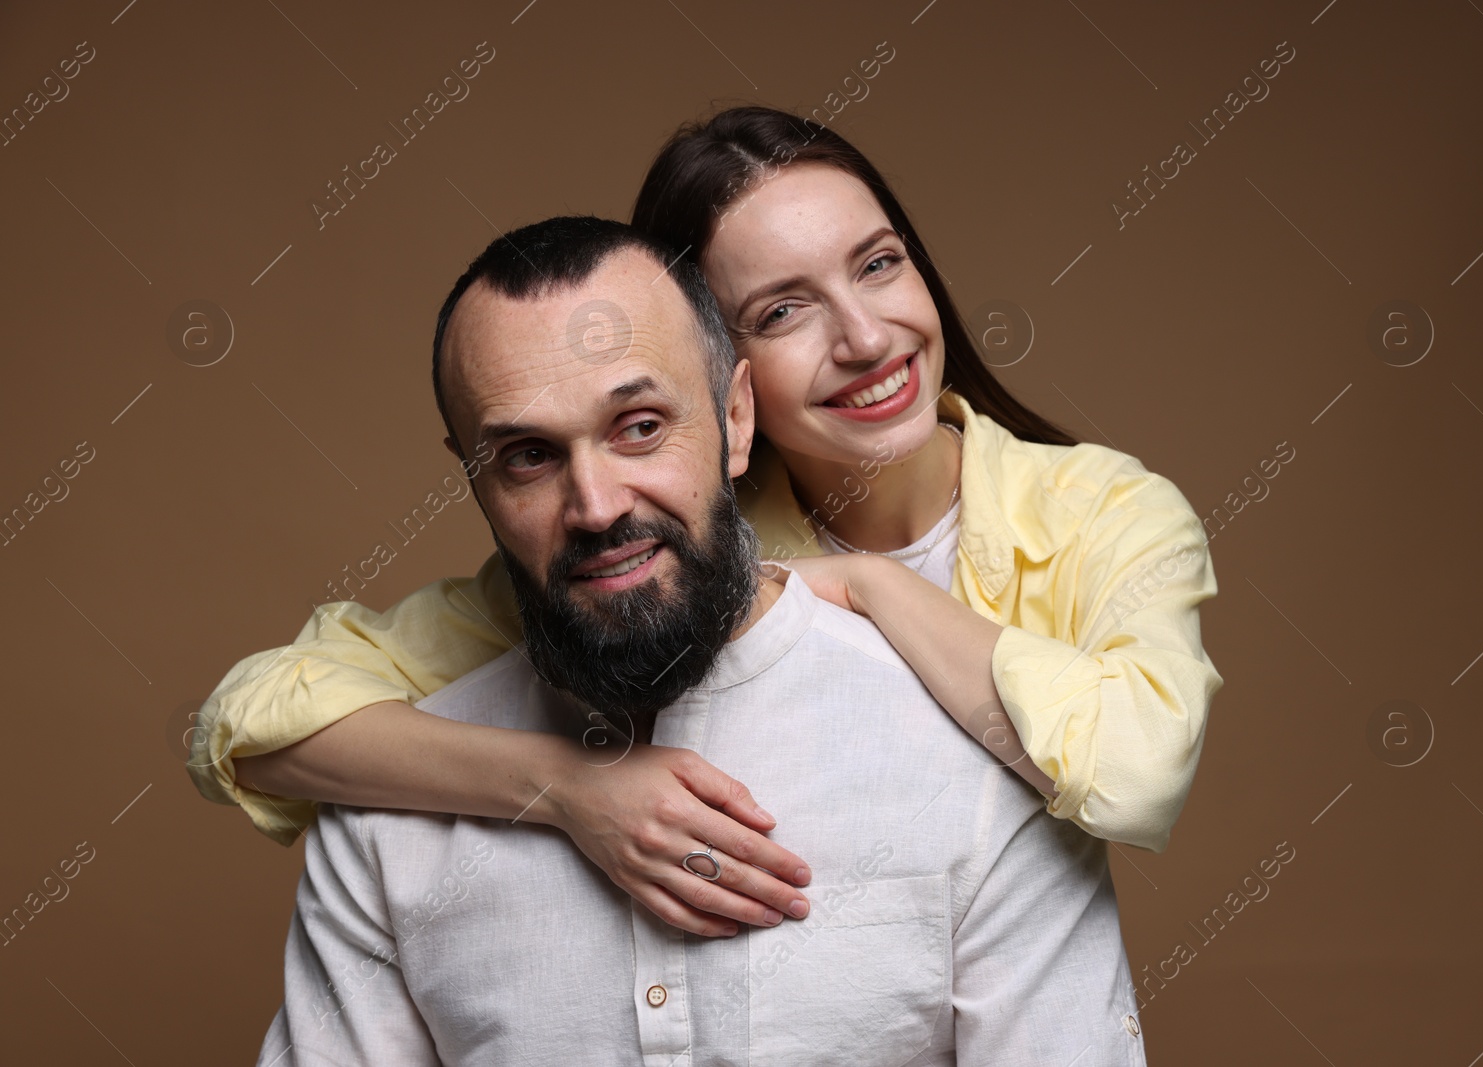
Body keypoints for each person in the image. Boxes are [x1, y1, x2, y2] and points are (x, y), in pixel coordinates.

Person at [192, 105, 1223, 938]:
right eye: (783, 311)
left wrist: (873, 586)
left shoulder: (1108, 510)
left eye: (877, 264)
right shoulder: (653, 542)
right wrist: (561, 785)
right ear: (721, 386)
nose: (867, 337)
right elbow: (252, 723)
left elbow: (1132, 775)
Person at [257, 215, 1148, 1065]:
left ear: (736, 420)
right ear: (473, 474)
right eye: (528, 455)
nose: (597, 505)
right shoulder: (380, 817)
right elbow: (244, 730)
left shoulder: (977, 766)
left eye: (640, 426)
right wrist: (560, 787)